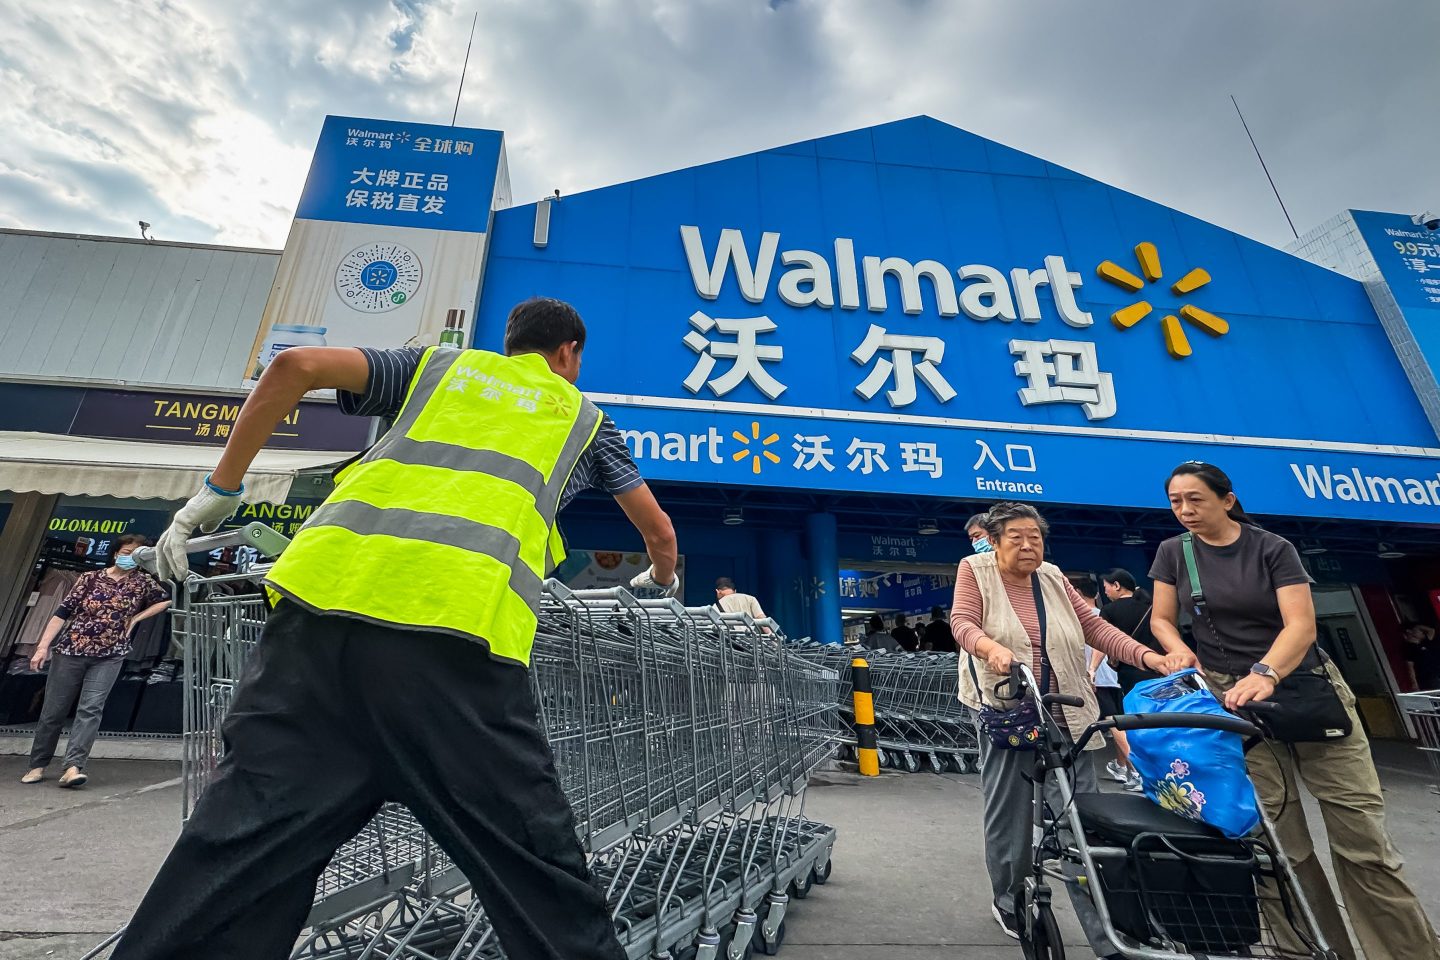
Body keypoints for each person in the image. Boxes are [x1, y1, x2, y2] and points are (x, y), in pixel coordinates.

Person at [111, 298, 679, 960]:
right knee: (536, 875)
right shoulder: (585, 420)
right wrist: (656, 584)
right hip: (454, 652)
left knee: (233, 864)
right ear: (569, 353)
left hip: (314, 625)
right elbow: (659, 534)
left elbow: (295, 366)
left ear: (508, 343)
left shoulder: (439, 368)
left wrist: (221, 490)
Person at [1149, 461, 1439, 960]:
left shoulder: (1272, 548)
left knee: (1362, 842)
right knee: (1277, 846)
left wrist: (1265, 672)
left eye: (1195, 499)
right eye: (1176, 501)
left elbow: (1301, 626)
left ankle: (1407, 952)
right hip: (1231, 704)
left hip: (1305, 692)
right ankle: (1308, 950)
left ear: (1228, 499)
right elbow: (1160, 619)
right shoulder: (1174, 553)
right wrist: (1176, 648)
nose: (1185, 510)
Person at [951, 502, 1169, 943]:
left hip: (1066, 709)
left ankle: (1108, 929)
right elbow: (962, 622)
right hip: (1007, 710)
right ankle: (1010, 898)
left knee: (1081, 815)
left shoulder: (1052, 576)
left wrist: (1149, 658)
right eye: (1016, 537)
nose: (1028, 545)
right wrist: (990, 648)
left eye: (1035, 536)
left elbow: (1095, 627)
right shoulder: (975, 570)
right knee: (1010, 812)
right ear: (993, 541)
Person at [21, 535, 170, 788]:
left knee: (91, 709)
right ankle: (38, 764)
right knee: (53, 710)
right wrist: (43, 646)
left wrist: (135, 619)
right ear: (115, 553)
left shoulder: (142, 582)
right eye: (126, 551)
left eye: (136, 553)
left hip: (111, 654)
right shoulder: (90, 578)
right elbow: (63, 612)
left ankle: (73, 766)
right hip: (71, 650)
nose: (130, 556)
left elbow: (165, 600)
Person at [1068, 573, 1140, 792]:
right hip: (1114, 678)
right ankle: (1121, 766)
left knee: (1114, 725)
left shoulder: (1078, 620)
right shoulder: (1103, 614)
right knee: (1120, 724)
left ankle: (1139, 771)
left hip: (1095, 679)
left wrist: (1090, 671)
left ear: (1077, 594)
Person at [1097, 568, 1160, 696]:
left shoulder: (1109, 610)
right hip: (1158, 667)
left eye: (1105, 587)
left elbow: (1102, 640)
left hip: (1129, 673)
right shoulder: (1151, 606)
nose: (1105, 592)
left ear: (1116, 585)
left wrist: (1092, 668)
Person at [1402, 621, 1440, 691]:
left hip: (1436, 673)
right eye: (1420, 630)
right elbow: (1410, 667)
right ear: (1409, 631)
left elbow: (1431, 631)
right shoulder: (1409, 648)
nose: (1422, 632)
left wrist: (1418, 627)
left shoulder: (1424, 642)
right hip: (1429, 679)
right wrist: (1414, 684)